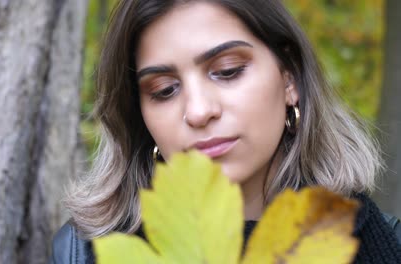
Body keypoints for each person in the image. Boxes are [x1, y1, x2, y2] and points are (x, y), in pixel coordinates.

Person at [50, 0, 401, 263]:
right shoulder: (81, 252)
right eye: (164, 90)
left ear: (289, 77)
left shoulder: (387, 246)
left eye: (228, 71)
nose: (199, 111)